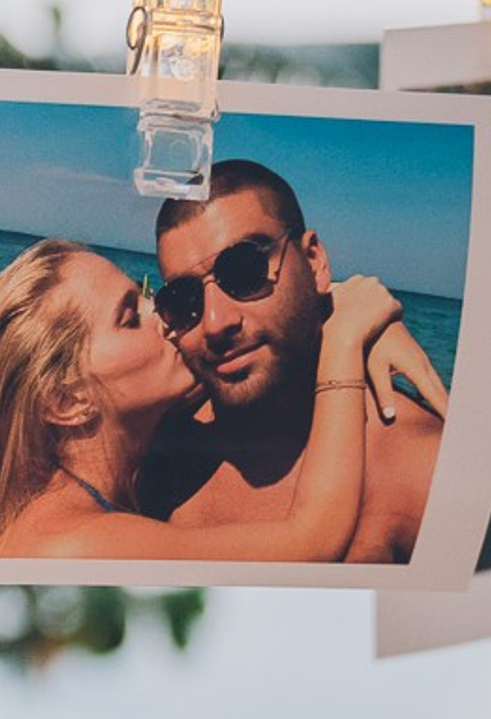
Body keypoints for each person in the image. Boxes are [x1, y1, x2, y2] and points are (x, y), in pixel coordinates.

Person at [0, 234, 412, 561]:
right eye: (133, 317)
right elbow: (311, 542)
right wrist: (345, 338)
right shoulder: (77, 546)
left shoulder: (55, 488)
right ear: (67, 401)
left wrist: (318, 312)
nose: (170, 317)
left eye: (150, 295)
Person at [138, 160, 448, 562]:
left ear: (315, 262)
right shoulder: (157, 442)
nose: (215, 323)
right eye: (183, 299)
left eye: (245, 270)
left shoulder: (422, 465)